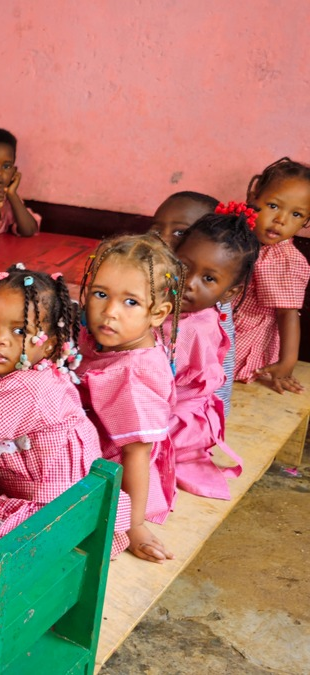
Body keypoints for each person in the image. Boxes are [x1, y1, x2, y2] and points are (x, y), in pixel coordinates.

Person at [0, 266, 131, 553]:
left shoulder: (30, 388)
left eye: (20, 331)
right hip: (53, 502)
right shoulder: (10, 368)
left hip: (51, 518)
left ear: (49, 346)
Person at [77, 235, 181, 563]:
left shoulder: (133, 377)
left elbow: (136, 452)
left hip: (118, 472)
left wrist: (134, 526)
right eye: (100, 294)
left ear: (159, 313)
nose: (109, 312)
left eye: (130, 302)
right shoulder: (110, 339)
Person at [168, 207, 259, 500]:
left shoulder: (202, 326)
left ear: (229, 293)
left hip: (173, 417)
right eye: (183, 266)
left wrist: (215, 429)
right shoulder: (156, 298)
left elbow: (223, 374)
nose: (189, 282)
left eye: (209, 279)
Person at [149, 191, 239, 415]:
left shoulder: (205, 302)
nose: (162, 239)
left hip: (181, 419)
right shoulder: (152, 271)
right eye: (157, 229)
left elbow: (220, 370)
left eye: (180, 232)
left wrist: (216, 418)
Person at [234, 158, 310, 393]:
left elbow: (288, 314)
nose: (281, 220)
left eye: (296, 214)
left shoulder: (283, 260)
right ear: (253, 198)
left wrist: (287, 363)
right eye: (274, 206)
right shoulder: (234, 235)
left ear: (306, 221)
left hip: (245, 334)